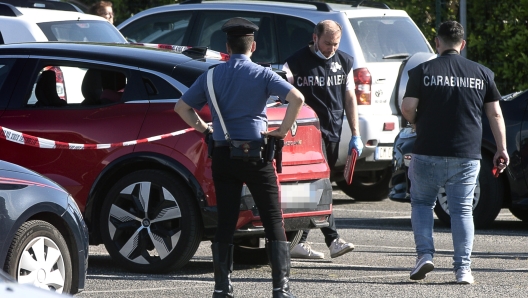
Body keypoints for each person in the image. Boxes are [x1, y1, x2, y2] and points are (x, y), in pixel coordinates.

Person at [174, 17, 304, 298]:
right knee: (272, 219)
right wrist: (281, 131)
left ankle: (223, 288)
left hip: (224, 154)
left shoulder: (210, 75)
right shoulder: (264, 74)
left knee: (226, 221)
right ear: (253, 46)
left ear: (227, 46)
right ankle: (281, 289)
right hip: (257, 156)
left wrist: (205, 128)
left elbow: (182, 107)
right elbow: (297, 99)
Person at [401, 20, 509, 284]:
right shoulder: (482, 73)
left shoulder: (422, 71)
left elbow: (407, 107)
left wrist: (415, 121)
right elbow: (495, 112)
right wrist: (502, 148)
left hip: (427, 151)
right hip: (467, 153)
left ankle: (424, 256)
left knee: (423, 203)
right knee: (462, 210)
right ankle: (463, 270)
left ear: (437, 42)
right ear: (462, 44)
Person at [282, 20, 363, 259]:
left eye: (335, 44)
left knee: (312, 189)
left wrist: (356, 134)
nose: (331, 48)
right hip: (306, 136)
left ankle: (298, 239)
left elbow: (350, 98)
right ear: (315, 38)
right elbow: (285, 99)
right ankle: (333, 239)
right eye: (327, 43)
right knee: (320, 186)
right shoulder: (295, 63)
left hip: (333, 132)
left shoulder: (345, 62)